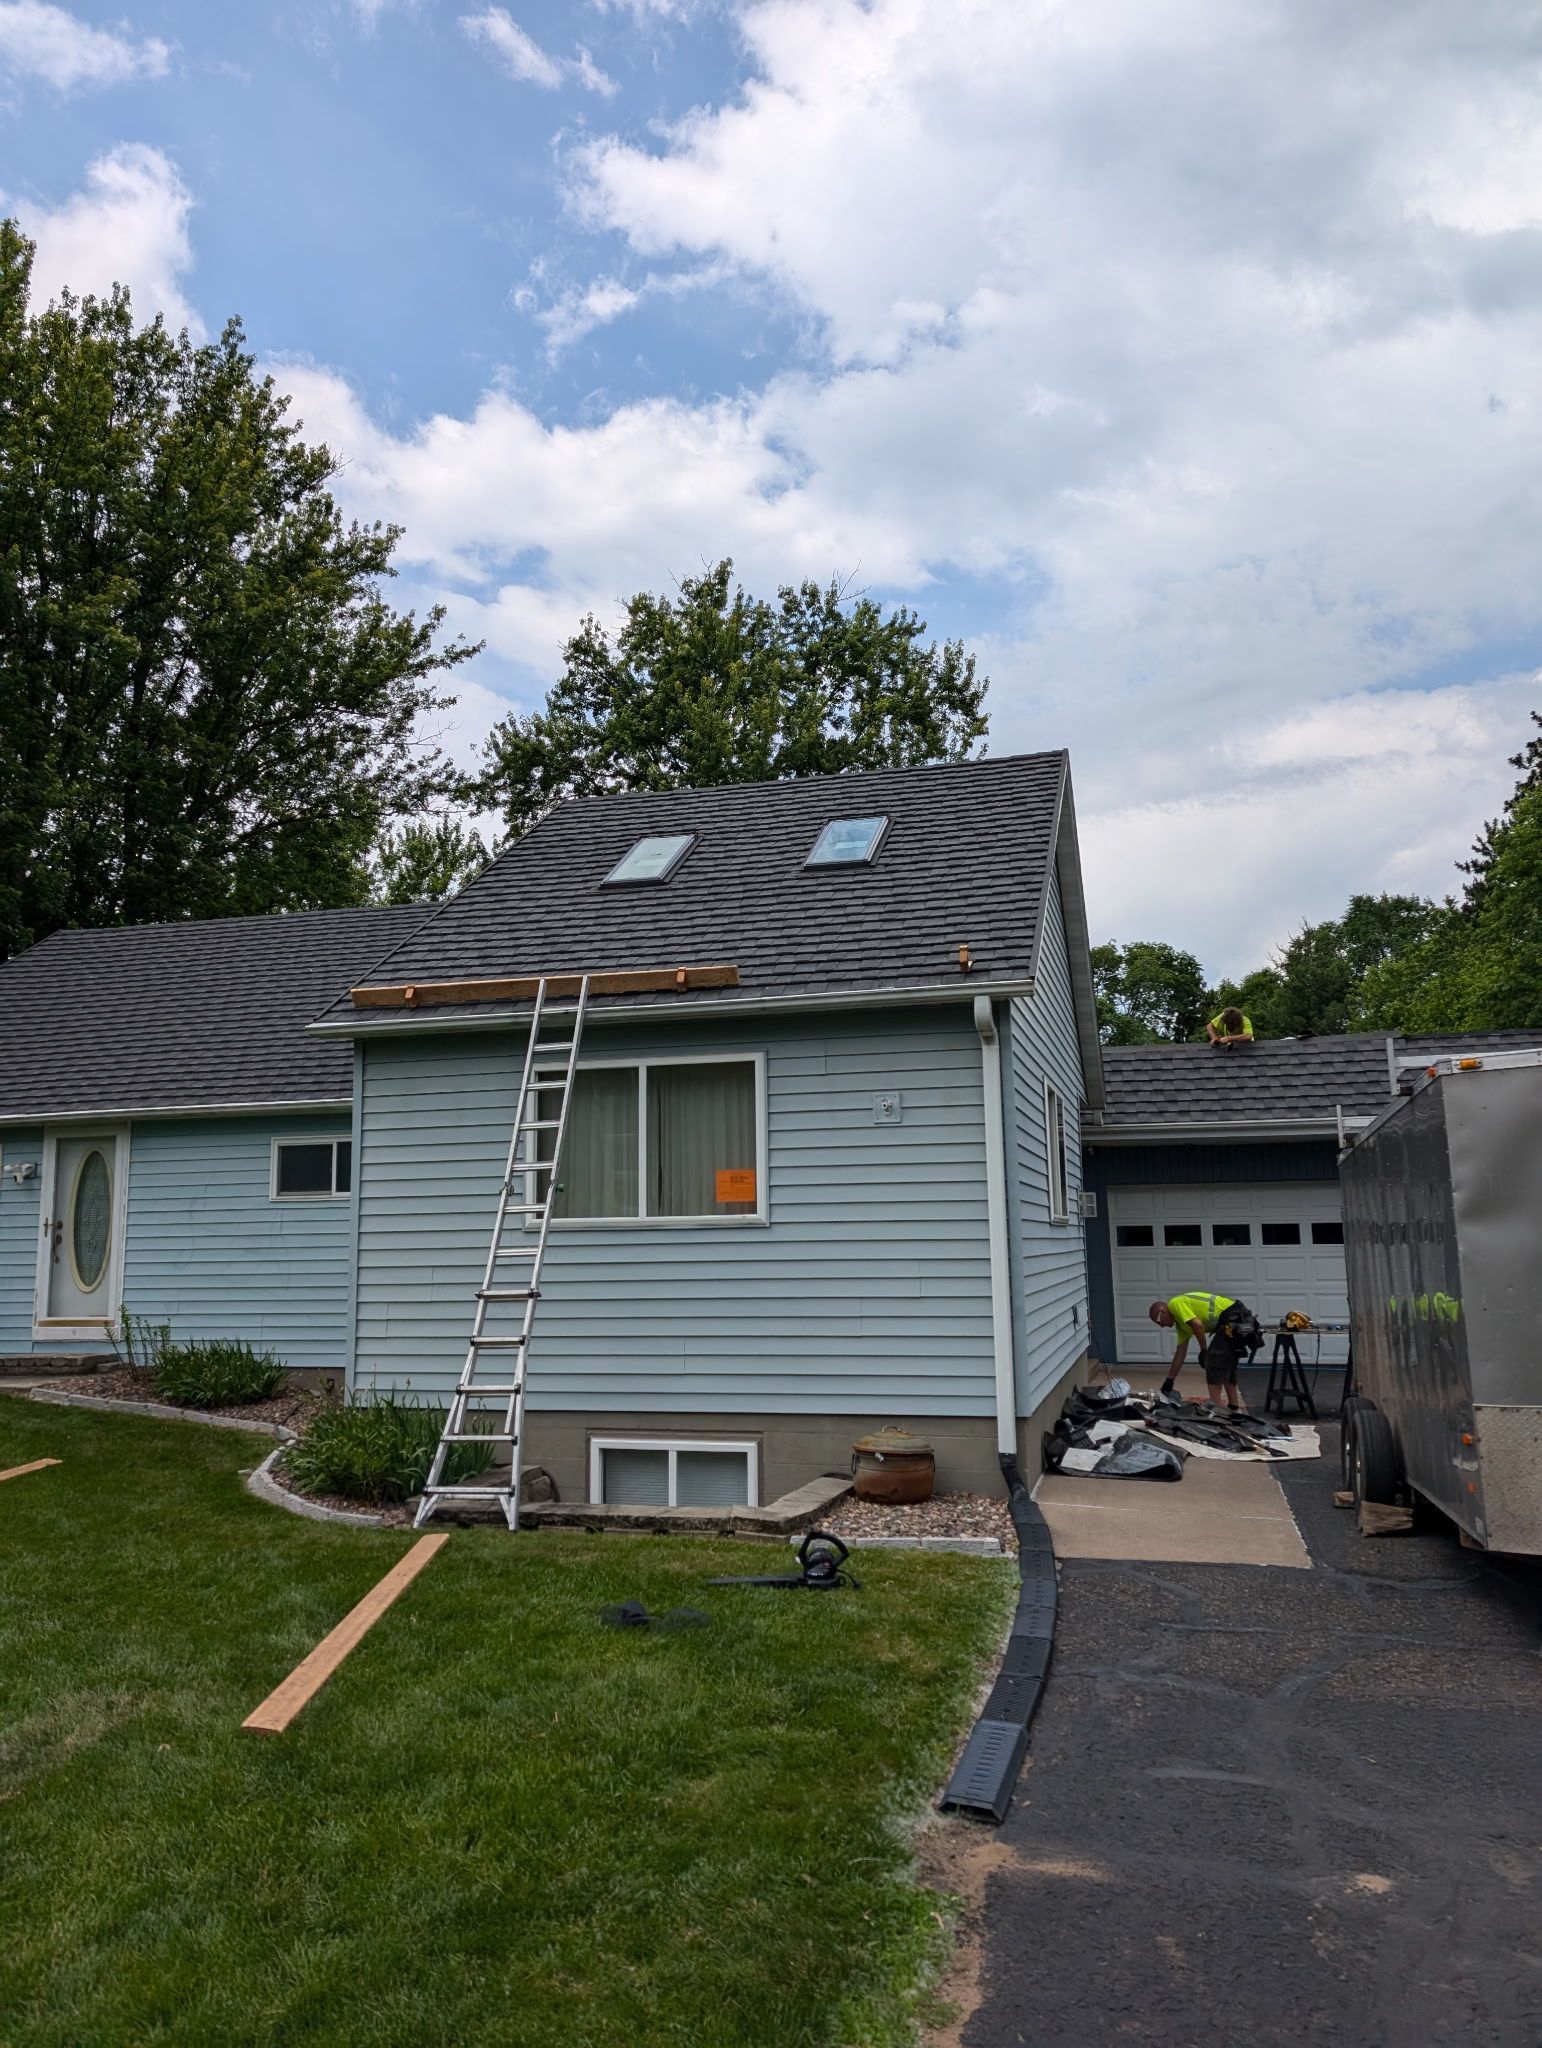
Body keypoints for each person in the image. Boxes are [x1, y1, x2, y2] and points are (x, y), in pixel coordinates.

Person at [1148, 1291, 1256, 1410]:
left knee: (1214, 1362)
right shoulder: (1181, 1325)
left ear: (1163, 1311)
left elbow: (1198, 1325)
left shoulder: (1174, 1304)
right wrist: (1170, 1380)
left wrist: (1204, 1351)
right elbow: (1180, 1353)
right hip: (1233, 1319)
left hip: (1233, 1316)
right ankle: (1234, 1408)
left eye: (1159, 1322)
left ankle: (1217, 1410)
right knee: (1226, 1366)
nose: (1161, 1326)